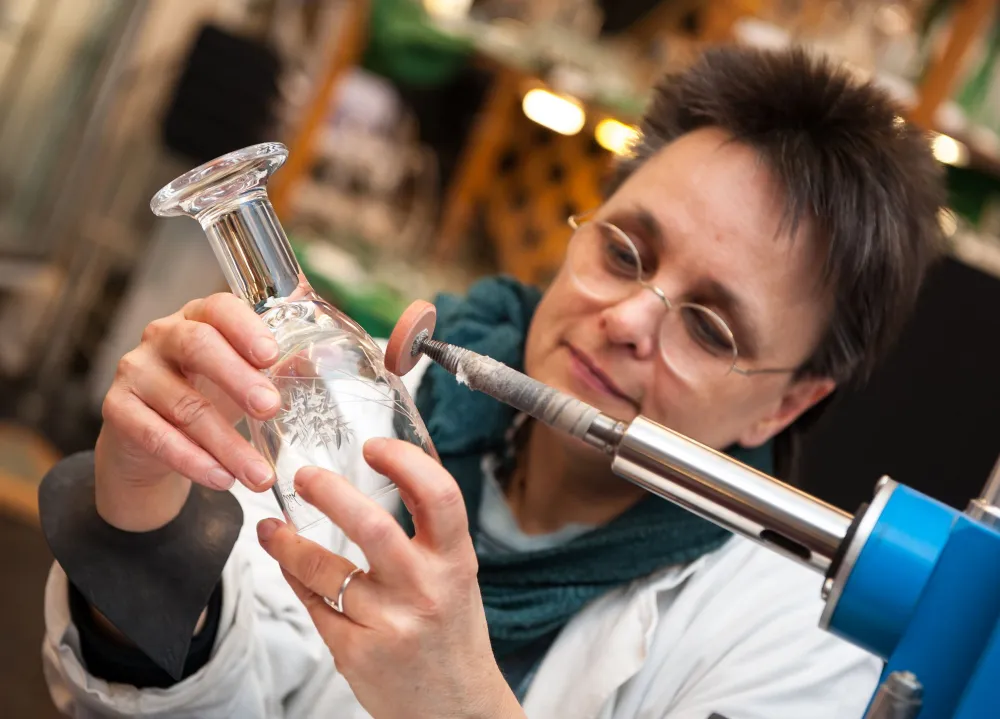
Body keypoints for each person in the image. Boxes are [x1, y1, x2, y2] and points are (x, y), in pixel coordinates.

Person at [42, 45, 945, 718]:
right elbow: (194, 690)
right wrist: (139, 532)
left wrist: (457, 695)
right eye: (623, 250)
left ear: (790, 400)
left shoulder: (799, 645)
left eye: (709, 327)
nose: (628, 319)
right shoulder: (383, 409)